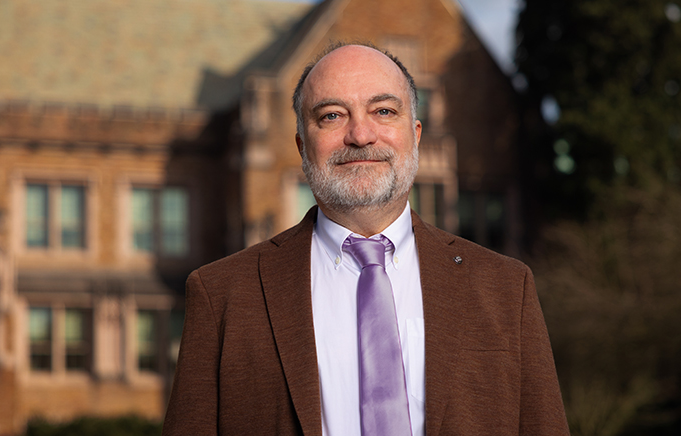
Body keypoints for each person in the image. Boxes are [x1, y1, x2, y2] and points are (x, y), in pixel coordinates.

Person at [162, 43, 569, 436]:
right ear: (303, 146)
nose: (360, 134)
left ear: (416, 135)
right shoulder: (223, 295)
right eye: (332, 116)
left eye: (384, 111)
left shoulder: (505, 289)